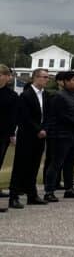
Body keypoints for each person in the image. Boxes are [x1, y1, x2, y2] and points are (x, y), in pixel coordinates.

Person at [9, 68, 50, 208]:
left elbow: (47, 115)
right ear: (36, 78)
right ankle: (14, 196)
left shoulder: (45, 95)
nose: (46, 80)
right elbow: (24, 116)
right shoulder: (26, 95)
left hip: (41, 136)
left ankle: (32, 195)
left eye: (47, 77)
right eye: (44, 77)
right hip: (27, 135)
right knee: (20, 166)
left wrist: (45, 129)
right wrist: (38, 129)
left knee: (34, 165)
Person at [44, 70, 74, 201]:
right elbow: (61, 116)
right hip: (60, 134)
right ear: (66, 82)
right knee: (56, 163)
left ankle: (69, 188)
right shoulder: (59, 96)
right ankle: (49, 191)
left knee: (70, 163)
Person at [0, 65, 18, 204]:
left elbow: (13, 116)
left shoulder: (11, 95)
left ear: (7, 77)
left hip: (3, 133)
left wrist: (12, 134)